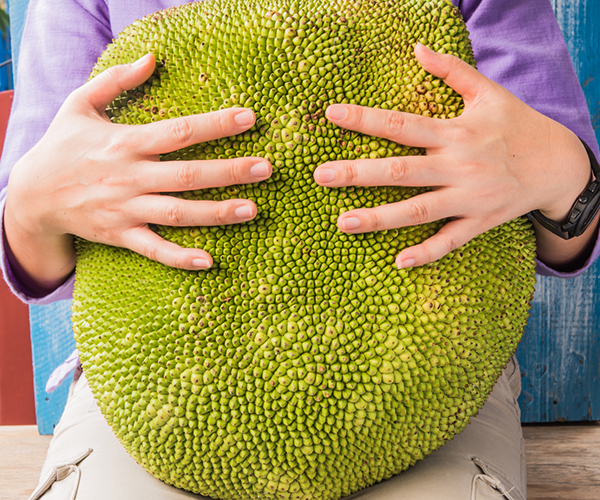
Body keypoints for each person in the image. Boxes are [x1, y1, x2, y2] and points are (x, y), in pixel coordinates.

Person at [1, 0, 598, 499]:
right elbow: (36, 256)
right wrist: (35, 202)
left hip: (430, 387)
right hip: (156, 399)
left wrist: (560, 170)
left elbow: (564, 235)